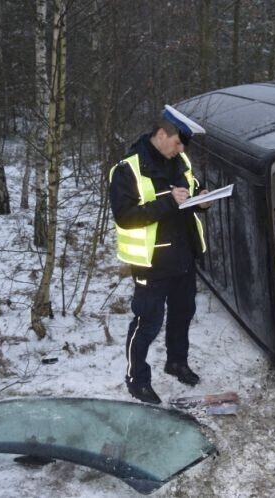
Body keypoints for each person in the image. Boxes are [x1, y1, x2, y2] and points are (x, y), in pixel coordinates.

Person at [109, 105, 211, 404]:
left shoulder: (180, 160)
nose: (181, 149)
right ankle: (136, 379)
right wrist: (169, 202)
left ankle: (176, 362)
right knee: (147, 323)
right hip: (151, 263)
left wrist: (203, 199)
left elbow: (192, 189)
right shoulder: (128, 169)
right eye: (178, 142)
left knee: (183, 314)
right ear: (162, 134)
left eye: (184, 145)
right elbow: (125, 217)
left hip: (183, 256)